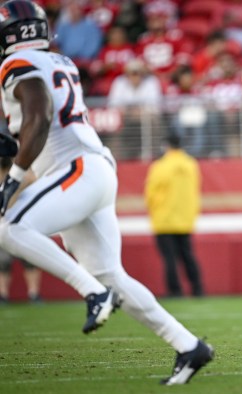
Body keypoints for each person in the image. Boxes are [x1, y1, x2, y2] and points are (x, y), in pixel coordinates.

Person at [0, 1, 212, 384]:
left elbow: (39, 114)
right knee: (110, 273)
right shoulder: (60, 61)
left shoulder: (15, 65)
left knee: (8, 227)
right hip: (92, 170)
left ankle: (93, 293)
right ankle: (188, 346)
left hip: (76, 169)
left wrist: (13, 177)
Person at [145, 133, 204, 297]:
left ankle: (175, 291)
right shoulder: (191, 164)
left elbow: (150, 193)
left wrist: (154, 209)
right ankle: (198, 288)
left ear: (167, 145)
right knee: (188, 256)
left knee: (169, 259)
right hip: (186, 219)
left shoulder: (160, 165)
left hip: (164, 219)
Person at [0, 156, 41, 304]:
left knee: (30, 261)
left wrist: (17, 184)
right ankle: (3, 294)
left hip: (22, 222)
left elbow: (33, 179)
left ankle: (34, 294)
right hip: (3, 223)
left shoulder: (19, 170)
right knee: (3, 263)